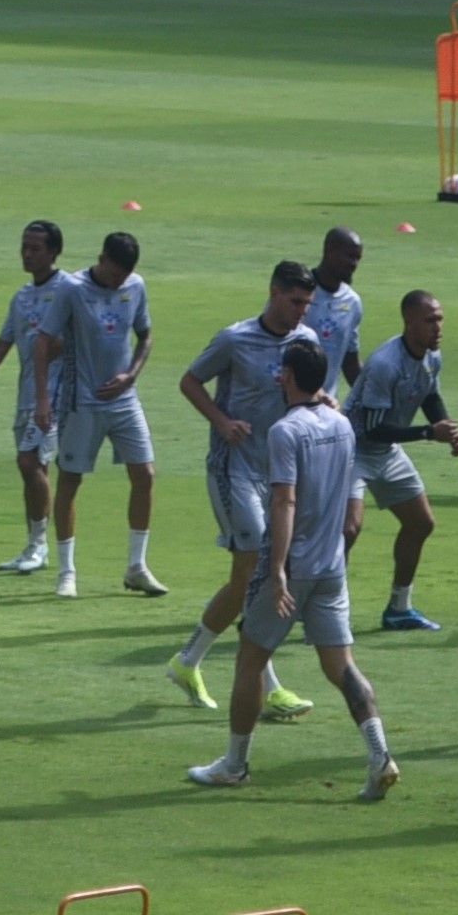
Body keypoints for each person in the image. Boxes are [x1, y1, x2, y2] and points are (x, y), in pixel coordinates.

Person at [185, 341, 398, 801]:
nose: (277, 377)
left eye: (282, 371)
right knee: (341, 666)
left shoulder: (286, 431)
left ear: (290, 376)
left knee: (250, 658)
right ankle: (379, 754)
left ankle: (235, 765)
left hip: (293, 565)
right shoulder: (341, 424)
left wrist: (276, 569)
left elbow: (284, 501)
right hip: (331, 566)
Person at [168, 261, 321, 720]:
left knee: (248, 580)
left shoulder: (306, 342)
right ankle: (268, 687)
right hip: (233, 469)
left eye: (307, 304)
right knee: (257, 570)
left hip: (278, 475)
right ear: (274, 293)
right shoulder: (235, 339)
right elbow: (190, 381)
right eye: (295, 302)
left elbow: (312, 395)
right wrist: (222, 421)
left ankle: (188, 660)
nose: (301, 312)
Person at [29, 230, 164, 601]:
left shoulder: (135, 286)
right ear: (101, 259)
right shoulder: (72, 289)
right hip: (81, 401)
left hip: (124, 400)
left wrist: (131, 375)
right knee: (70, 481)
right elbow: (42, 344)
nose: (119, 281)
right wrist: (42, 401)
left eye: (124, 276)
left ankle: (136, 567)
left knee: (145, 474)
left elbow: (146, 335)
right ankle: (66, 571)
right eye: (114, 273)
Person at [347, 289, 458, 633]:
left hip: (387, 450)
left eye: (440, 319)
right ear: (408, 321)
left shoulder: (431, 357)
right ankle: (324, 611)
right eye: (430, 321)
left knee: (420, 523)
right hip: (352, 450)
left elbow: (430, 394)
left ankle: (399, 608)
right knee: (347, 530)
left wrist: (448, 429)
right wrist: (429, 434)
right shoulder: (385, 363)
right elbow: (371, 428)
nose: (437, 327)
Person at [0, 220, 66, 576]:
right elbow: (3, 343)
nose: (27, 254)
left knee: (29, 462)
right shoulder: (21, 297)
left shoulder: (68, 290)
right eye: (24, 246)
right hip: (28, 396)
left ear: (54, 252)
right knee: (35, 468)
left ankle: (39, 546)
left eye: (35, 248)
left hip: (56, 397)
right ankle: (35, 544)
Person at [302, 226, 368, 392]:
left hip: (326, 408)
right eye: (350, 257)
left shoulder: (352, 302)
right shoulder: (298, 292)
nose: (354, 264)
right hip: (289, 405)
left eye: (358, 258)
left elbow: (350, 360)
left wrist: (368, 397)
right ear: (329, 251)